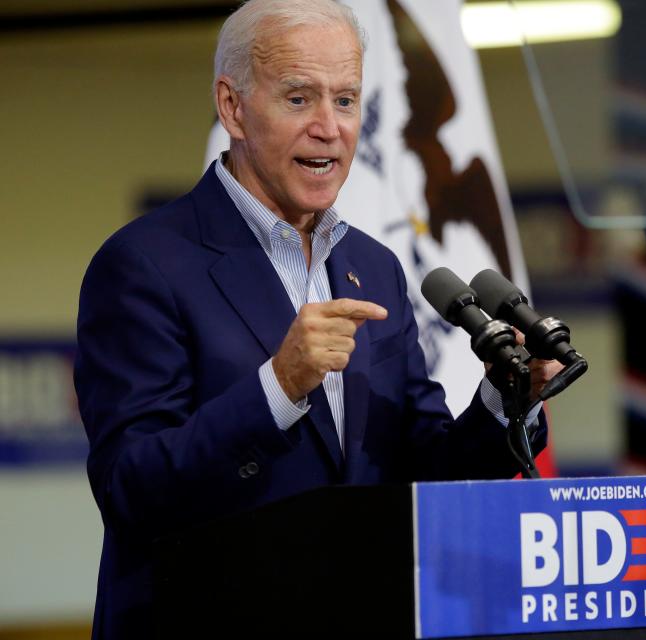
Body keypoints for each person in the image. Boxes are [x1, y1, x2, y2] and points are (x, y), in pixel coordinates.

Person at [74, 1, 558, 637]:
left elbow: (424, 469)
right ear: (232, 108)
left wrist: (504, 397)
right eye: (300, 99)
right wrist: (277, 386)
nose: (330, 127)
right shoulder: (142, 265)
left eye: (348, 101)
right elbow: (130, 488)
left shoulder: (375, 265)